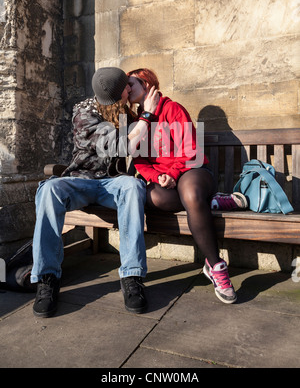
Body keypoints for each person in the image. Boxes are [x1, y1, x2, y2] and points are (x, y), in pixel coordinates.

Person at [31, 67, 159, 317]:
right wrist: (147, 115)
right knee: (48, 190)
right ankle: (47, 279)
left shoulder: (124, 111)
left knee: (133, 186)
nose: (130, 89)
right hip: (81, 180)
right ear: (117, 93)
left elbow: (152, 142)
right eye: (126, 86)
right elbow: (123, 146)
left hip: (112, 183)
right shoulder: (84, 113)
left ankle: (132, 277)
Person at [127, 68, 246, 304]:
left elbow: (190, 151)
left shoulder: (173, 109)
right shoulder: (137, 120)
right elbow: (139, 159)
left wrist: (171, 174)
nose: (127, 89)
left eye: (131, 84)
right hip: (165, 180)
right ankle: (213, 201)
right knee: (155, 197)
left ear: (148, 85)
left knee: (191, 193)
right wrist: (155, 178)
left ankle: (215, 266)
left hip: (192, 170)